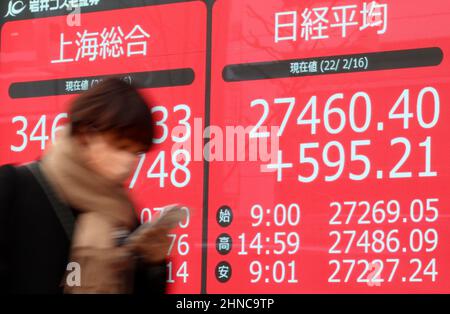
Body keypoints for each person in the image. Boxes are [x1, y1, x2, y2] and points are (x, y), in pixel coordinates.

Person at [0, 78, 171, 294]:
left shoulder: (122, 211)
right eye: (121, 146)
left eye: (136, 152)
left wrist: (152, 263)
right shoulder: (14, 188)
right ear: (86, 133)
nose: (129, 161)